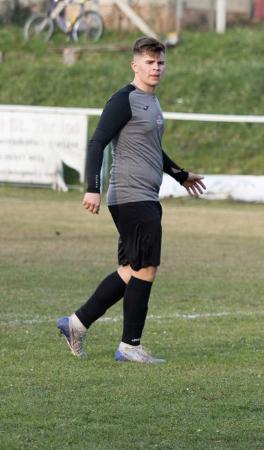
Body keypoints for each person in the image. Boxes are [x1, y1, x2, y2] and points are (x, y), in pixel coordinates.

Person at [56, 36, 205, 364]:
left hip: (141, 196)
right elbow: (97, 143)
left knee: (130, 269)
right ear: (135, 65)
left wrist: (181, 175)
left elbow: (152, 150)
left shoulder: (152, 101)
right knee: (147, 267)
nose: (156, 68)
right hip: (132, 197)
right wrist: (91, 187)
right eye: (150, 63)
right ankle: (129, 346)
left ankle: (76, 324)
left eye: (161, 62)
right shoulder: (124, 100)